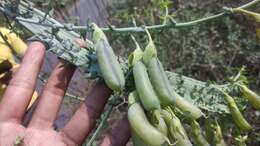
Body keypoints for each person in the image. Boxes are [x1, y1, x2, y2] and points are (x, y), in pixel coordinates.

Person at [0, 41, 130, 146]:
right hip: (8, 107)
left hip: (25, 100)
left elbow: (23, 51)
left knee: (45, 126)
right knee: (48, 132)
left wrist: (14, 69)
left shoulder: (4, 32)